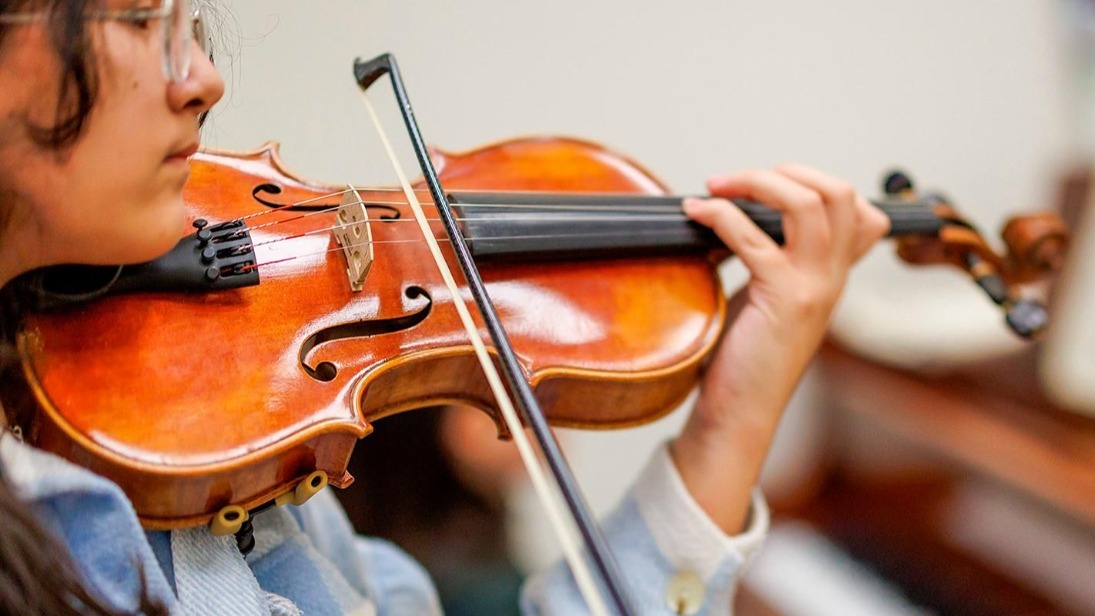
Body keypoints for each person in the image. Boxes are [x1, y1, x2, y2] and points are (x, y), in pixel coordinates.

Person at [0, 0, 890, 614]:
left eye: (187, 25)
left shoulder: (175, 420)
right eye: (139, 19)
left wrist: (735, 410)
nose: (200, 77)